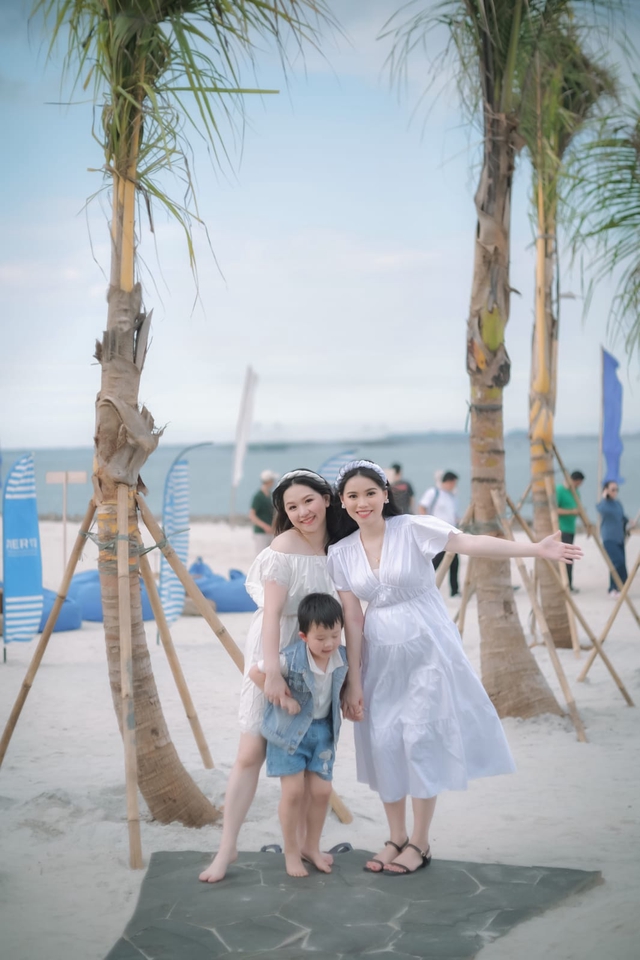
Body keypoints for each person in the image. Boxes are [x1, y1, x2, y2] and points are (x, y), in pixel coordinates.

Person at [328, 459, 582, 876]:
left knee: (419, 738)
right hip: (380, 655)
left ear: (385, 494)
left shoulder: (411, 528)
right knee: (385, 741)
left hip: (429, 647)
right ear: (342, 502)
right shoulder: (340, 553)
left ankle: (420, 842)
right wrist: (354, 681)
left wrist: (535, 548)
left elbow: (471, 543)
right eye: (352, 496)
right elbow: (353, 619)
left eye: (370, 493)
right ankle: (395, 837)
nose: (362, 502)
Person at [199, 469, 339, 883]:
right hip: (275, 647)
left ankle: (304, 847)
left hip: (317, 650)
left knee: (309, 760)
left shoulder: (340, 546)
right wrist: (273, 670)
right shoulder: (281, 547)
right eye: (291, 507)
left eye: (308, 502)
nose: (301, 512)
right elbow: (274, 613)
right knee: (250, 753)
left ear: (326, 499)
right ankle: (227, 847)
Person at [249, 593, 348, 878]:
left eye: (334, 635)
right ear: (304, 636)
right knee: (293, 793)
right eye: (320, 638)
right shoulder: (290, 658)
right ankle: (291, 853)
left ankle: (311, 847)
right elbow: (257, 673)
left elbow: (339, 686)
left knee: (322, 791)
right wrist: (281, 697)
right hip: (289, 733)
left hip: (323, 733)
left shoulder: (340, 656)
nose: (329, 643)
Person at [418, 470, 460, 596]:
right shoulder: (434, 492)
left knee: (454, 562)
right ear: (449, 481)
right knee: (436, 561)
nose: (454, 485)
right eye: (454, 483)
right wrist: (426, 524)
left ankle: (454, 590)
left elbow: (452, 515)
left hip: (451, 532)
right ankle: (422, 585)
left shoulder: (452, 496)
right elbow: (422, 506)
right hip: (438, 531)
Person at [597, 480, 634, 596]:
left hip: (620, 538)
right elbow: (600, 509)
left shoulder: (618, 503)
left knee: (620, 563)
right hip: (609, 538)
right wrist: (604, 497)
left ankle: (618, 588)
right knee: (617, 562)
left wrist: (629, 522)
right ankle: (614, 588)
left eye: (616, 489)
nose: (615, 492)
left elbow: (622, 517)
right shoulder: (604, 504)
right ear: (606, 490)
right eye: (613, 489)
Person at [556, 470, 585, 591]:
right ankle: (565, 585)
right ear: (574, 481)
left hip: (571, 528)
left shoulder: (576, 492)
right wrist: (571, 512)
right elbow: (555, 510)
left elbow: (579, 509)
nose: (578, 486)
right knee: (565, 557)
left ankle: (569, 584)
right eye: (578, 483)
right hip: (561, 529)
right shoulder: (559, 490)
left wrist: (586, 524)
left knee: (570, 557)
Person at [249, 470, 278, 556]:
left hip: (271, 531)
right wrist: (265, 526)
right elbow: (252, 515)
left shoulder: (270, 494)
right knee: (261, 556)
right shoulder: (258, 496)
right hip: (261, 532)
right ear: (269, 481)